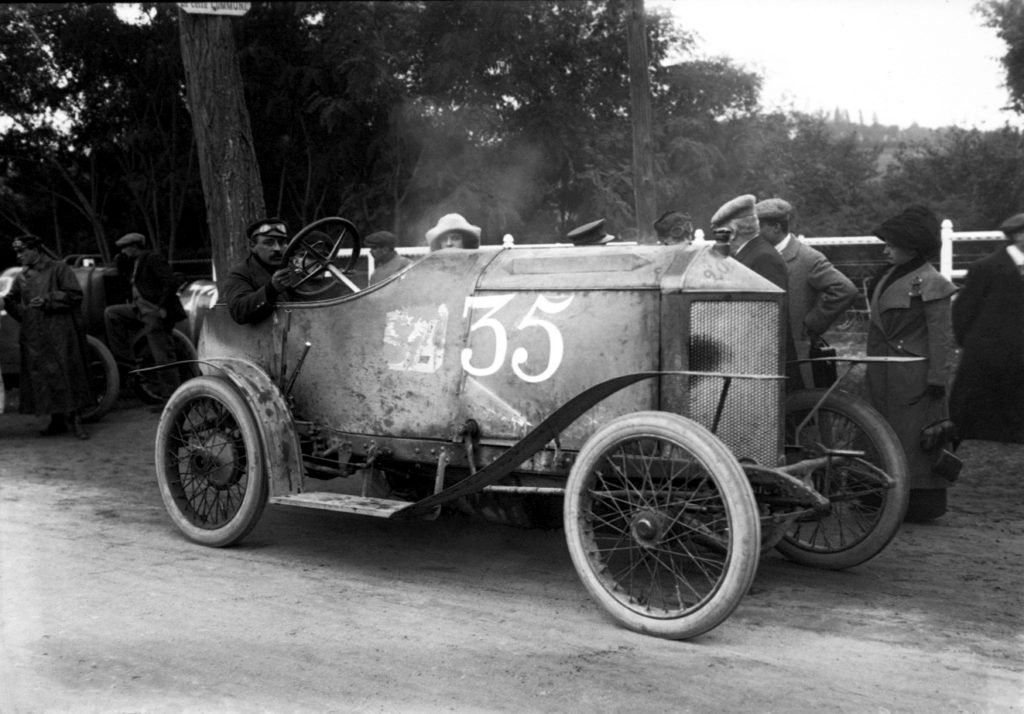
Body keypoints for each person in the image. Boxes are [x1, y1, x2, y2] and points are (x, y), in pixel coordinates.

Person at [865, 205, 957, 521]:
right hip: (884, 372)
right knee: (879, 434)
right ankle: (878, 494)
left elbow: (941, 337)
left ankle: (917, 504)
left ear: (912, 247)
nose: (885, 249)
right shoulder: (889, 275)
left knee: (914, 443)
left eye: (891, 244)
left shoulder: (932, 282)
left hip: (915, 378)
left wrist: (937, 380)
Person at [756, 198, 857, 387]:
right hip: (760, 349)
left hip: (794, 353)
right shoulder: (759, 255)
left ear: (776, 227)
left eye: (758, 228)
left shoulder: (807, 258)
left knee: (799, 405)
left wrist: (811, 324)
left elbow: (844, 289)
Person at [4, 234, 92, 439]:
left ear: (36, 249)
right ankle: (57, 420)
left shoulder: (59, 268)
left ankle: (77, 420)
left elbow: (74, 294)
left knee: (67, 374)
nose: (19, 256)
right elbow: (11, 299)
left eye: (23, 250)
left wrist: (47, 300)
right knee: (45, 377)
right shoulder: (23, 275)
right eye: (17, 252)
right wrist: (21, 312)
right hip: (35, 334)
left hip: (60, 331)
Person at [710, 194, 802, 388]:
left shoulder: (762, 258)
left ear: (733, 231)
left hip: (766, 362)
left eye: (721, 232)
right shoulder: (752, 253)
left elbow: (767, 317)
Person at [948, 211, 1024, 443]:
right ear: (1018, 236)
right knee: (976, 408)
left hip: (1020, 354)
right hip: (988, 352)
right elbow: (963, 310)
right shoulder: (986, 268)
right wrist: (971, 344)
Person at [103, 232, 186, 401]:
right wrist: (120, 263)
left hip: (153, 312)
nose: (123, 251)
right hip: (139, 309)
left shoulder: (152, 259)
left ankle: (173, 397)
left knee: (162, 356)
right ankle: (125, 360)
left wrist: (162, 307)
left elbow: (170, 282)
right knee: (112, 313)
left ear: (135, 247)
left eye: (126, 248)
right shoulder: (134, 263)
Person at [222, 218, 298, 324]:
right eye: (269, 243)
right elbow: (239, 311)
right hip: (260, 338)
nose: (277, 248)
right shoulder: (239, 274)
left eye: (282, 242)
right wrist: (271, 290)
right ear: (253, 246)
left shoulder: (296, 271)